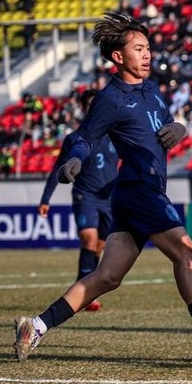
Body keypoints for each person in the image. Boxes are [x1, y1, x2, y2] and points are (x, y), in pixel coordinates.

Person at [13, 12, 192, 362]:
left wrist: (179, 128)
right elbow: (83, 137)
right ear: (118, 56)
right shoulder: (110, 98)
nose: (148, 54)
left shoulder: (151, 88)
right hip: (141, 189)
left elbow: (163, 123)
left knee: (108, 276)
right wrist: (75, 160)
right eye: (139, 48)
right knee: (186, 253)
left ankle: (35, 326)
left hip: (131, 192)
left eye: (148, 48)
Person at [38, 89, 118, 312]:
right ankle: (86, 296)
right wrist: (46, 199)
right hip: (86, 196)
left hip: (110, 198)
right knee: (89, 240)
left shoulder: (116, 134)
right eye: (90, 104)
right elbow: (58, 168)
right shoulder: (75, 138)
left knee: (100, 246)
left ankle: (83, 286)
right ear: (84, 108)